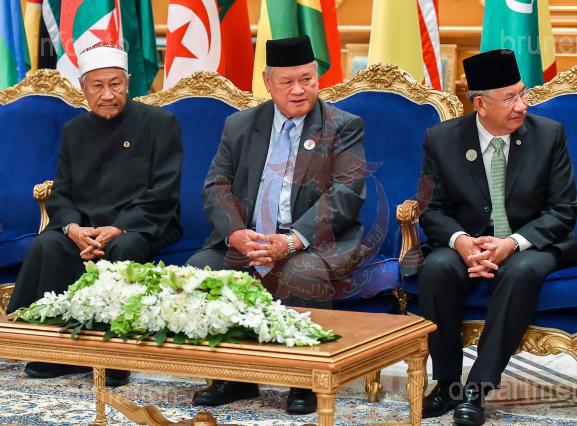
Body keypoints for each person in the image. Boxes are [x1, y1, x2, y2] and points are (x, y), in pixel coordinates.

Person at [186, 35, 367, 414]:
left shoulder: (343, 125)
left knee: (301, 272)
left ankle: (305, 380)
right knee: (202, 268)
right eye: (288, 82)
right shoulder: (240, 125)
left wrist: (292, 241)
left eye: (307, 79)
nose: (299, 90)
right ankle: (234, 377)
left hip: (313, 241)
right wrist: (236, 233)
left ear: (317, 78)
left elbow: (346, 193)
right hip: (250, 239)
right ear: (268, 82)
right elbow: (216, 184)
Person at [417, 49, 577, 426]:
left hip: (533, 243)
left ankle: (476, 389)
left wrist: (511, 244)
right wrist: (462, 242)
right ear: (480, 104)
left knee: (520, 270)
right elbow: (432, 209)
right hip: (471, 244)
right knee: (437, 267)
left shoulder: (548, 135)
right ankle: (446, 383)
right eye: (509, 98)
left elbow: (563, 210)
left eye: (522, 93)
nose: (521, 105)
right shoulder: (441, 139)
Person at [8, 43, 183, 387]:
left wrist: (118, 227)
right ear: (83, 88)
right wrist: (73, 228)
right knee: (48, 245)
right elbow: (62, 192)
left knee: (123, 249)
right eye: (98, 86)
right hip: (84, 227)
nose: (107, 94)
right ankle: (54, 351)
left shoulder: (161, 123)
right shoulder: (75, 131)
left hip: (143, 223)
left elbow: (164, 191)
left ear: (127, 83)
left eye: (115, 84)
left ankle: (113, 357)